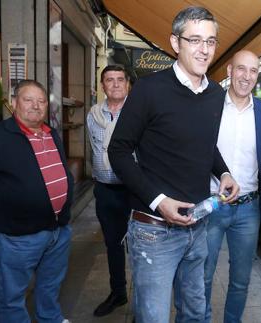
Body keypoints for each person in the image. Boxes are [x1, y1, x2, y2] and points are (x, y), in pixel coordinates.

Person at [107, 6, 240, 323]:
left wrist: (223, 172)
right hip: (154, 232)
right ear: (175, 43)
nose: (204, 49)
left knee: (195, 313)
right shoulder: (149, 90)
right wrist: (159, 201)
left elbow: (204, 145)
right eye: (194, 40)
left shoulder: (214, 95)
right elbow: (119, 151)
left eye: (210, 41)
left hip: (198, 225)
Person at [0, 80, 73, 323]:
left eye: (41, 101)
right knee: (12, 297)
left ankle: (50, 319)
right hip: (18, 236)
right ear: (14, 103)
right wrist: (3, 198)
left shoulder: (51, 133)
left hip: (58, 231)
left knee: (50, 286)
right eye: (28, 100)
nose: (36, 106)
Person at [203, 50, 261, 323]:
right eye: (241, 69)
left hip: (248, 209)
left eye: (253, 71)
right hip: (211, 204)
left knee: (241, 280)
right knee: (203, 276)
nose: (246, 76)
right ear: (230, 71)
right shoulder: (210, 106)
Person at [86, 65, 131, 317]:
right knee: (112, 244)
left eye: (120, 80)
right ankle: (118, 292)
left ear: (127, 85)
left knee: (138, 246)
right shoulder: (93, 115)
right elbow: (93, 148)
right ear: (102, 85)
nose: (115, 84)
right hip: (104, 190)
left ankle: (145, 301)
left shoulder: (137, 114)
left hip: (133, 191)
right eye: (109, 80)